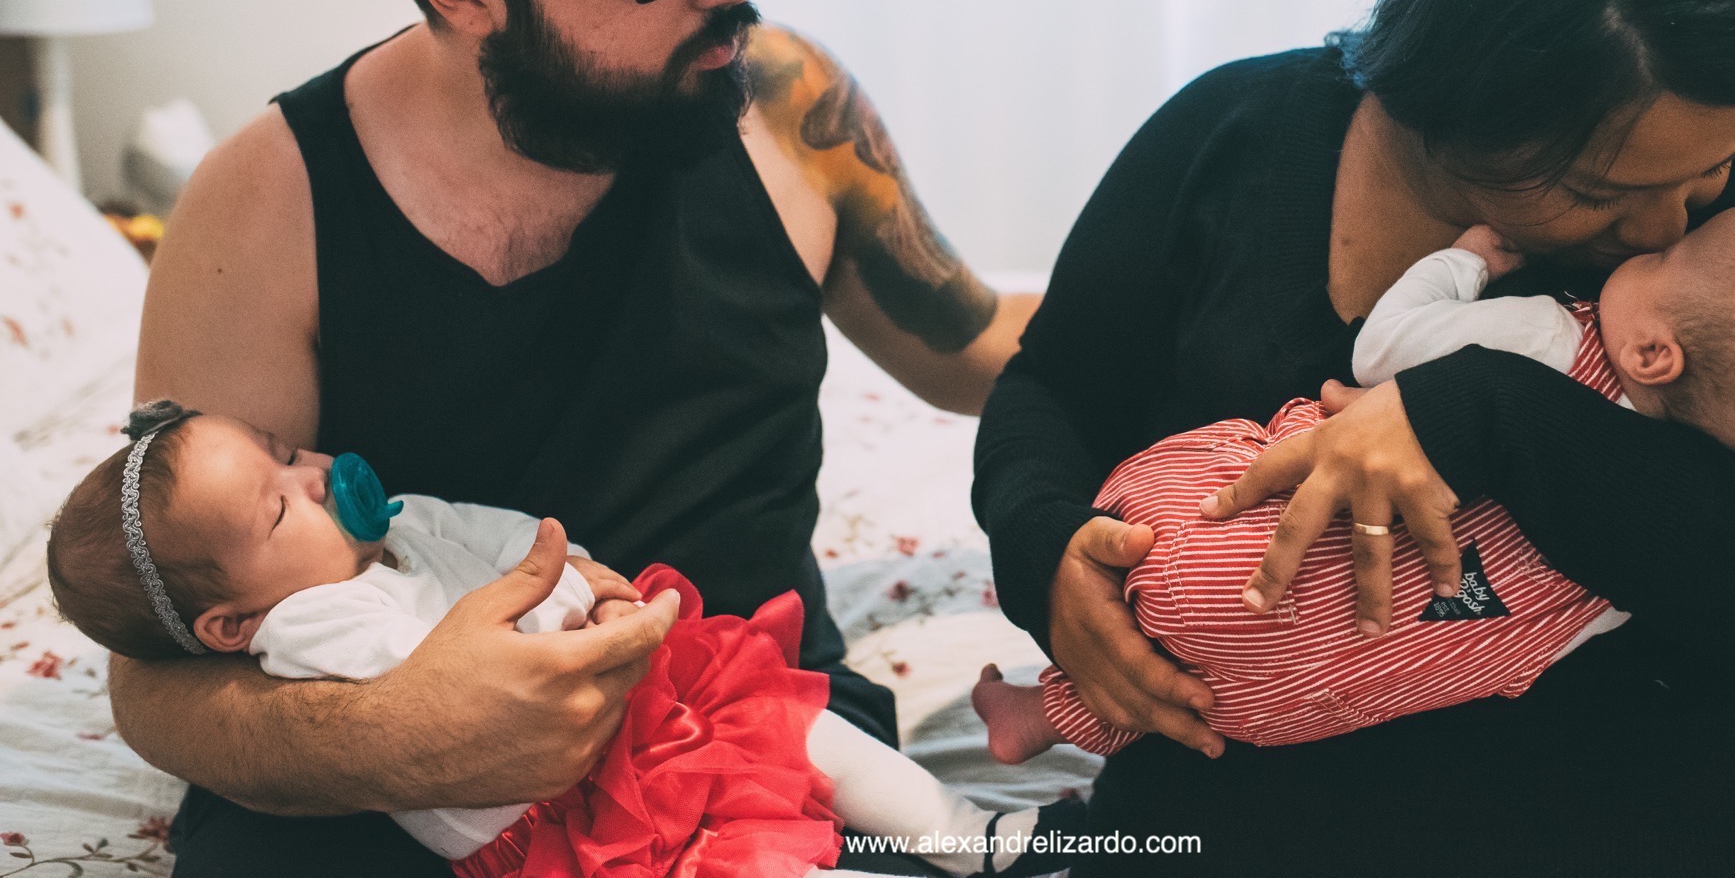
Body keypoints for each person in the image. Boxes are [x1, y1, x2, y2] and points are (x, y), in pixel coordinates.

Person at [111, 0, 1037, 877]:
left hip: (741, 736)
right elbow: (156, 667)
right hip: (386, 796)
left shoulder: (781, 104)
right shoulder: (268, 205)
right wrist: (399, 732)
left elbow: (981, 350)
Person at [972, 0, 1735, 876]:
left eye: (1709, 167)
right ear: (1448, 92)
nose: (1667, 225)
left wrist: (1487, 413)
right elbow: (1049, 391)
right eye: (1594, 190)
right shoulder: (1234, 138)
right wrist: (1044, 553)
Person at [971, 207, 1735, 763]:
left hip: (1207, 546)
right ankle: (1048, 712)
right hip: (1311, 692)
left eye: (1669, 257)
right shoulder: (1670, 526)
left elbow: (1385, 349)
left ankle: (1045, 701)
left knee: (1227, 470)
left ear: (1654, 350)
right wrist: (1037, 542)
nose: (1660, 229)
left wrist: (1464, 263)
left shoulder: (1555, 336)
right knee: (1215, 684)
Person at [51, 404, 1080, 878]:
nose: (314, 476)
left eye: (287, 453)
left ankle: (972, 832)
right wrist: (559, 610)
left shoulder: (393, 525)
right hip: (567, 815)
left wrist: (580, 569)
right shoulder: (309, 627)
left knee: (802, 727)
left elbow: (503, 535)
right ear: (230, 624)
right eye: (279, 507)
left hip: (635, 706)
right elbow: (443, 674)